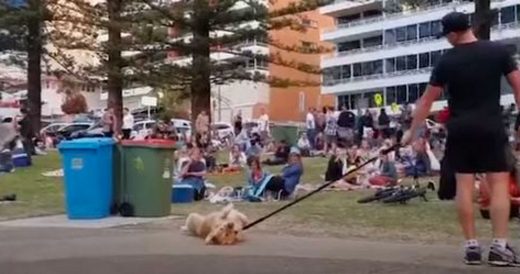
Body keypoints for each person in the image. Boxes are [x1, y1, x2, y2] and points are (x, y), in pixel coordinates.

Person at [402, 12, 520, 266]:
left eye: (446, 35)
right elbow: (518, 86)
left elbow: (427, 100)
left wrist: (412, 131)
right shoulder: (498, 52)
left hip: (460, 129)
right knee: (499, 184)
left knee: (464, 187)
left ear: (454, 33)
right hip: (490, 126)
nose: (446, 40)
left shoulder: (446, 61)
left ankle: (472, 247)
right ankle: (499, 247)